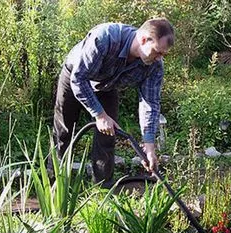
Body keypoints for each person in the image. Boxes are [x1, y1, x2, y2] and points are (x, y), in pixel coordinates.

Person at [53, 18, 174, 187]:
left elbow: (150, 104)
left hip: (106, 87)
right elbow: (79, 79)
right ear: (144, 39)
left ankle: (102, 190)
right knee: (64, 132)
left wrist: (149, 146)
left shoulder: (154, 66)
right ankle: (56, 185)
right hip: (76, 76)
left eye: (163, 54)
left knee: (107, 137)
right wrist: (100, 115)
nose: (159, 58)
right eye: (157, 52)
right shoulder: (106, 38)